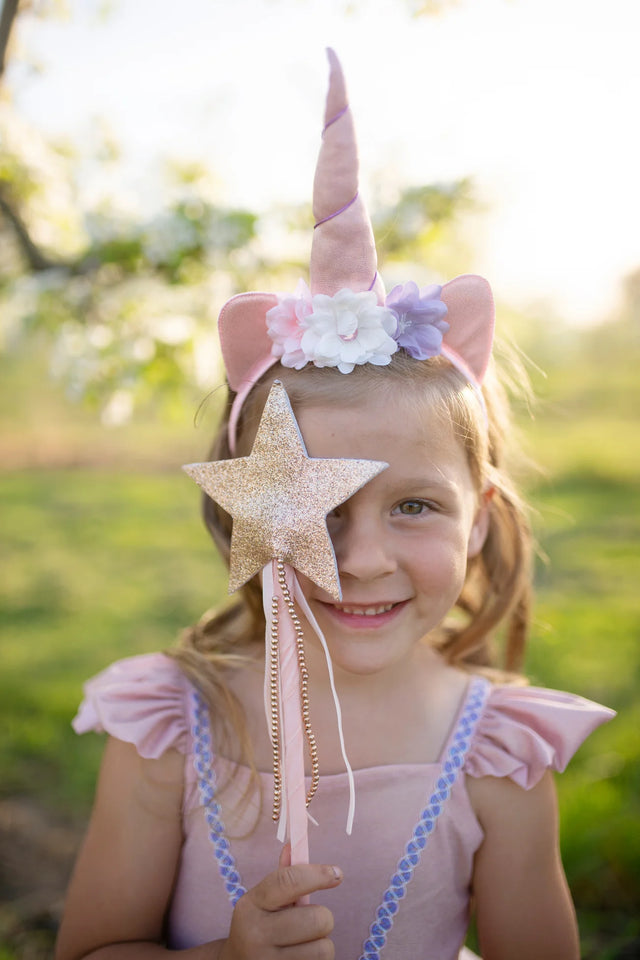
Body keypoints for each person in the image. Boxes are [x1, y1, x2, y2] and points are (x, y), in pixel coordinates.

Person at [55, 50, 614, 960]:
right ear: (242, 513)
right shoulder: (173, 729)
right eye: (320, 507)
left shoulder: (498, 756)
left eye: (416, 507)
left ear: (479, 519)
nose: (358, 560)